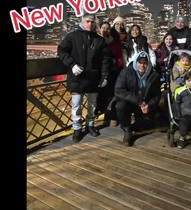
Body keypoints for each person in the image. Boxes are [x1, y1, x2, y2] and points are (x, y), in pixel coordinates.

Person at [58, 13, 111, 142]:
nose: (90, 24)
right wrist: (72, 65)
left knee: (92, 105)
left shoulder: (100, 40)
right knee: (76, 105)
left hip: (93, 77)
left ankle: (90, 125)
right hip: (77, 76)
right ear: (82, 22)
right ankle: (77, 129)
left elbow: (105, 60)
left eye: (92, 22)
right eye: (87, 21)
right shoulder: (72, 36)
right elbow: (61, 51)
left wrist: (104, 76)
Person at [115, 51, 161, 146]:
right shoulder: (126, 72)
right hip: (131, 102)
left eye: (145, 63)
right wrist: (139, 102)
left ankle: (134, 126)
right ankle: (127, 130)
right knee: (120, 106)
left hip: (145, 104)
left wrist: (149, 105)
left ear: (148, 64)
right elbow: (119, 90)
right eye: (140, 62)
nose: (142, 65)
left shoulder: (154, 75)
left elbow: (157, 95)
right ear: (135, 62)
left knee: (148, 124)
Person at [96, 21, 125, 125]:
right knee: (101, 96)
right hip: (99, 72)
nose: (105, 30)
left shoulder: (114, 41)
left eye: (107, 28)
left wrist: (117, 66)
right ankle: (104, 116)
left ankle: (113, 117)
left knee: (113, 94)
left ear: (110, 30)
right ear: (99, 29)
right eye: (103, 27)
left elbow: (119, 56)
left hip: (113, 72)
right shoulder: (96, 40)